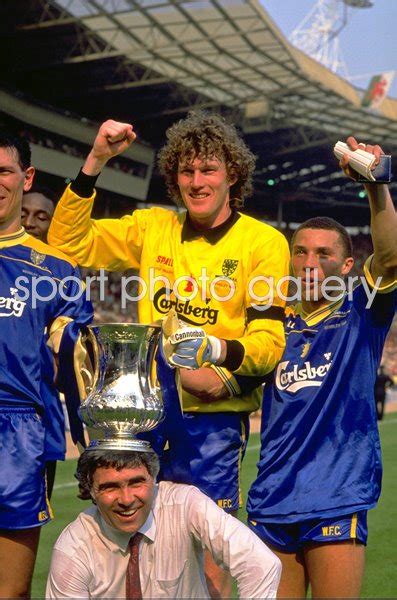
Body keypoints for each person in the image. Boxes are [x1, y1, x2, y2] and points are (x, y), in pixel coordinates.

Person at [47, 113, 289, 596]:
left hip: (211, 423)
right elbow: (67, 242)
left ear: (233, 174)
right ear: (174, 178)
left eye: (208, 170)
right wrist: (96, 159)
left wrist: (217, 351)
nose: (197, 182)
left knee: (215, 556)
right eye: (186, 171)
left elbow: (269, 342)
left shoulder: (264, 243)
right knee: (139, 546)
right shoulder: (152, 227)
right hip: (148, 417)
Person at [247, 137, 397, 598]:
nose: (310, 262)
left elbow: (391, 256)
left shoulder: (363, 309)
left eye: (324, 254)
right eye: (301, 252)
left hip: (337, 493)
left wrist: (376, 188)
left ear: (348, 264)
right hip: (272, 493)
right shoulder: (268, 320)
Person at [0, 130, 93, 599]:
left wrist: (89, 442)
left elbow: (79, 370)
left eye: (3, 170)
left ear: (25, 176)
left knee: (10, 591)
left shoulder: (56, 270)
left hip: (19, 434)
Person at [46, 448, 281, 599]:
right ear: (91, 491)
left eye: (137, 483)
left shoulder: (185, 504)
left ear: (154, 480)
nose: (127, 499)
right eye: (110, 487)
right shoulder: (74, 546)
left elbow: (260, 564)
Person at [21, 188, 62, 499]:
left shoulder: (63, 276)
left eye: (41, 216)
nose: (30, 221)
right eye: (23, 213)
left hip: (39, 421)